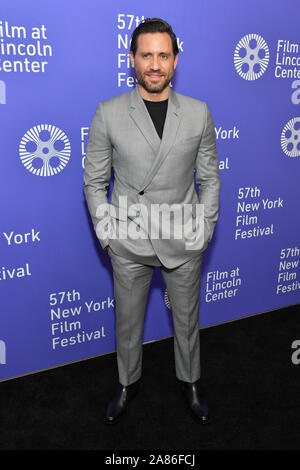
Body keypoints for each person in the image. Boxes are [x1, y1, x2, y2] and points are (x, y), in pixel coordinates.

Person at [83, 18, 220, 425]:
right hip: (129, 239)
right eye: (147, 55)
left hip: (183, 235)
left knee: (188, 320)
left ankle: (190, 381)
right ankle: (128, 383)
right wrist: (108, 235)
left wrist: (205, 227)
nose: (155, 64)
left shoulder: (197, 113)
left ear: (175, 60)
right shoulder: (108, 113)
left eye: (163, 55)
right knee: (127, 322)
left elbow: (210, 177)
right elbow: (93, 182)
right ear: (132, 59)